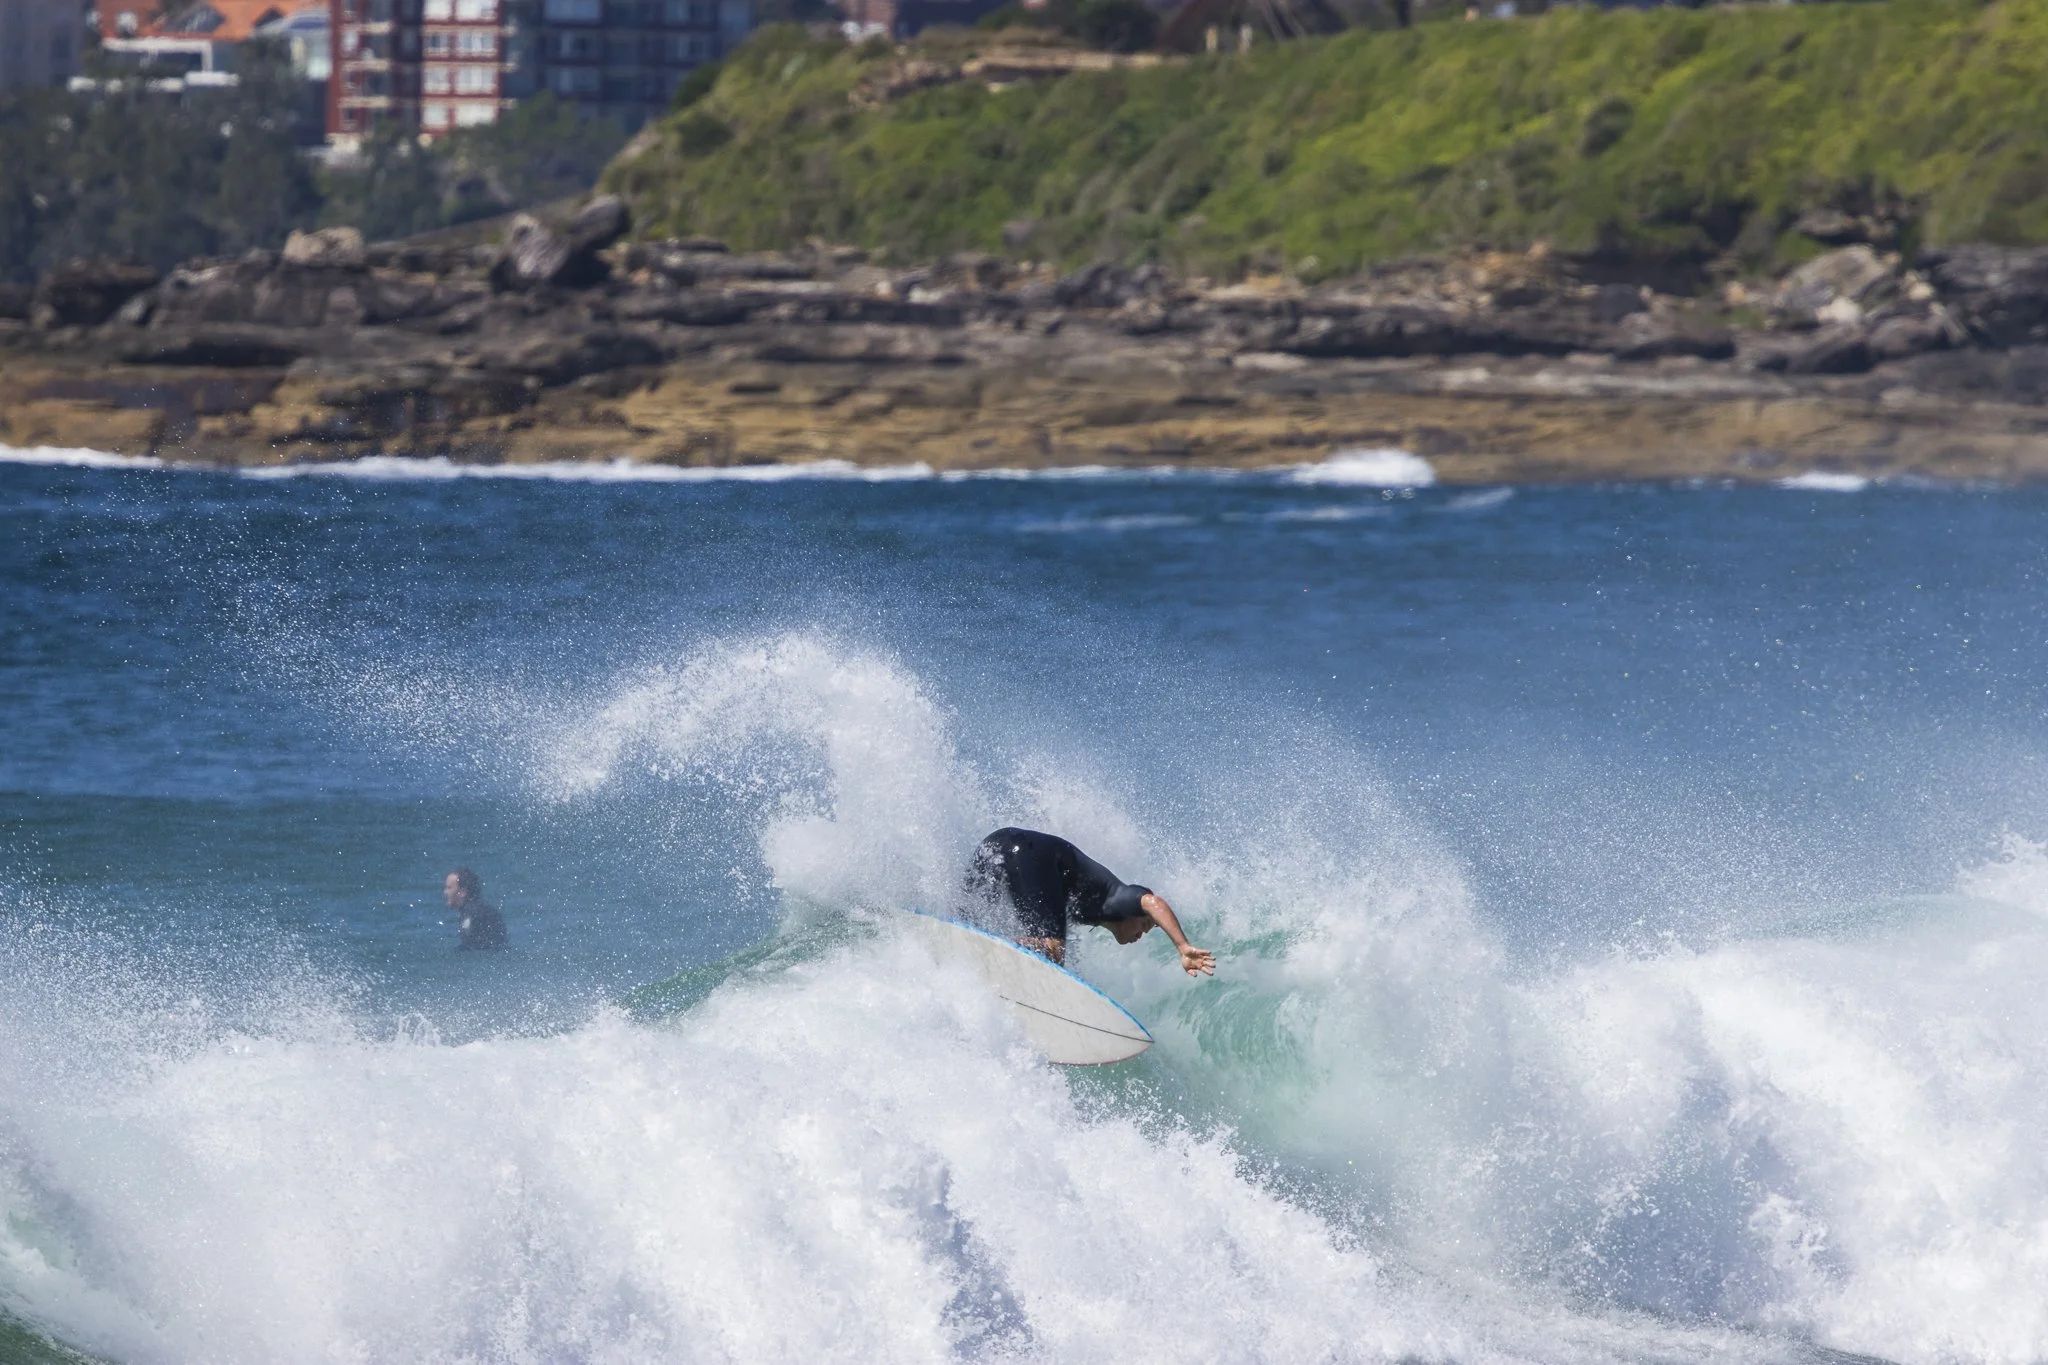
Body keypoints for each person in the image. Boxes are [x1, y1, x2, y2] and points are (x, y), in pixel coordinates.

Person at [962, 827, 1214, 976]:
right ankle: (1003, 953)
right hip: (1027, 852)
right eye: (1144, 926)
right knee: (1052, 949)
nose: (1140, 935)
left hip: (997, 845)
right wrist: (1182, 946)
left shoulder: (1091, 909)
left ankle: (970, 950)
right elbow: (1153, 903)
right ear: (1132, 913)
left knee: (970, 920)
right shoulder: (1116, 899)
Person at [443, 867, 507, 950]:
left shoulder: (470, 914)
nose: (445, 892)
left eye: (449, 888)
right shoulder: (483, 908)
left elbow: (472, 947)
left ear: (462, 892)